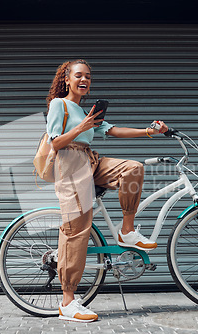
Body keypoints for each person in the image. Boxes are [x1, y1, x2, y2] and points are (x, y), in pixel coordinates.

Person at [46, 59, 168, 322]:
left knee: (133, 169)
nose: (84, 80)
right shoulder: (60, 105)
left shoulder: (88, 112)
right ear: (67, 79)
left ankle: (127, 231)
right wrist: (81, 127)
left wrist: (149, 132)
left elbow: (113, 130)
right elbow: (55, 143)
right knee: (77, 230)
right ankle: (68, 302)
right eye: (79, 75)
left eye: (88, 76)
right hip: (69, 165)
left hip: (90, 160)